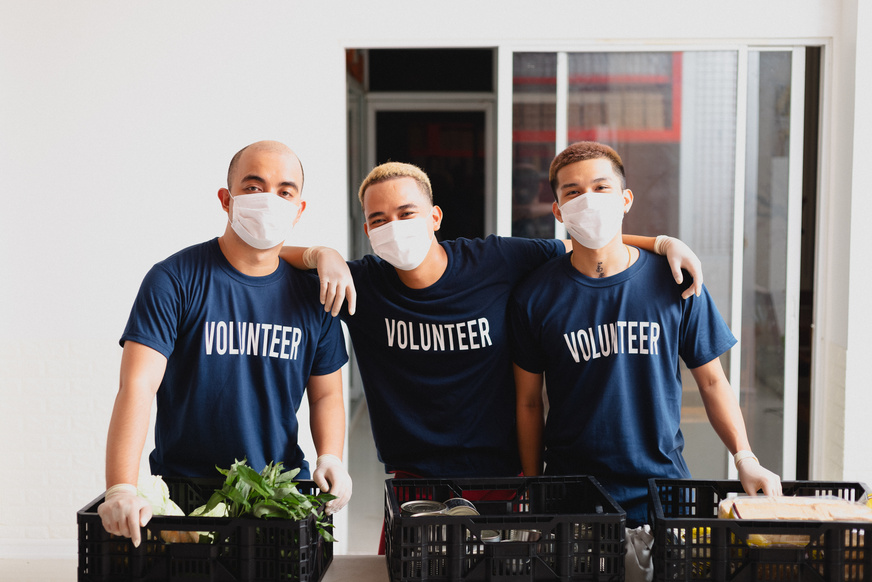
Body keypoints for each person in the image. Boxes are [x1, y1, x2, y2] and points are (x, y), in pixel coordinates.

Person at [286, 161, 703, 482]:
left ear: (435, 217)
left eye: (407, 212)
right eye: (379, 220)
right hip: (415, 484)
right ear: (366, 229)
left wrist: (660, 243)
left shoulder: (496, 260)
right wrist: (320, 253)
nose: (393, 227)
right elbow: (266, 260)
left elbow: (588, 242)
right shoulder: (360, 285)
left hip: (501, 477)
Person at [509, 141, 781, 529]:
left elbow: (712, 382)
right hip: (570, 493)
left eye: (601, 188)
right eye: (573, 192)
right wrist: (533, 488)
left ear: (625, 200)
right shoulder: (535, 297)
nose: (588, 200)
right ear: (557, 210)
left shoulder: (675, 281)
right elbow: (529, 404)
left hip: (663, 490)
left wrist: (745, 459)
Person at [97, 140, 352, 548]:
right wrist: (121, 487)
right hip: (186, 497)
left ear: (299, 208)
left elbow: (327, 396)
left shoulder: (315, 295)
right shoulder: (175, 280)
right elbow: (137, 386)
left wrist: (331, 457)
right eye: (253, 187)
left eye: (285, 191)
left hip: (279, 494)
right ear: (226, 199)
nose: (270, 199)